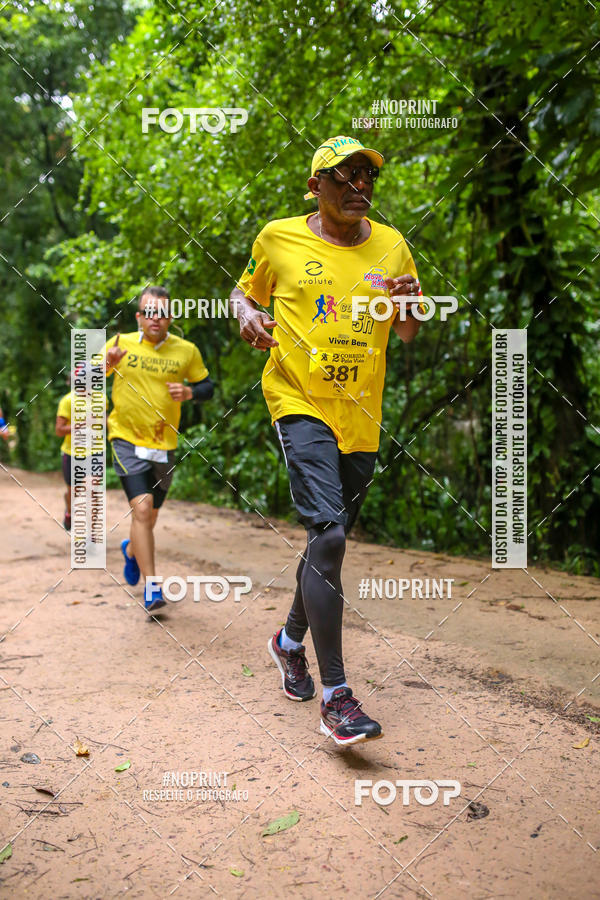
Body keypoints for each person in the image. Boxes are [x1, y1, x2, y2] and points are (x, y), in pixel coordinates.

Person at [231, 135, 424, 746]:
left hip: (362, 413)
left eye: (366, 176)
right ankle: (336, 697)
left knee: (327, 542)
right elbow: (243, 293)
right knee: (331, 533)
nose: (358, 187)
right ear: (316, 186)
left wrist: (412, 308)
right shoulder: (278, 238)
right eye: (343, 177)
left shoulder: (393, 246)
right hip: (297, 400)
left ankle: (287, 641)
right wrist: (247, 315)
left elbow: (411, 331)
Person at [103, 286, 214, 611]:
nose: (156, 318)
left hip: (164, 444)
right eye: (149, 312)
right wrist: (106, 365)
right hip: (125, 438)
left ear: (170, 317)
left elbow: (207, 386)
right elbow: (85, 379)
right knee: (141, 508)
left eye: (162, 313)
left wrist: (191, 393)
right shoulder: (119, 344)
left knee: (148, 517)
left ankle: (131, 550)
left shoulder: (186, 350)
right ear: (139, 317)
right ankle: (153, 587)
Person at [55, 365, 106, 532]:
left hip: (95, 451)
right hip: (72, 453)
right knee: (74, 493)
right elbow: (59, 431)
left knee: (92, 489)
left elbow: (105, 423)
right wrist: (80, 425)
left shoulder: (101, 399)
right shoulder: (67, 401)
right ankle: (70, 512)